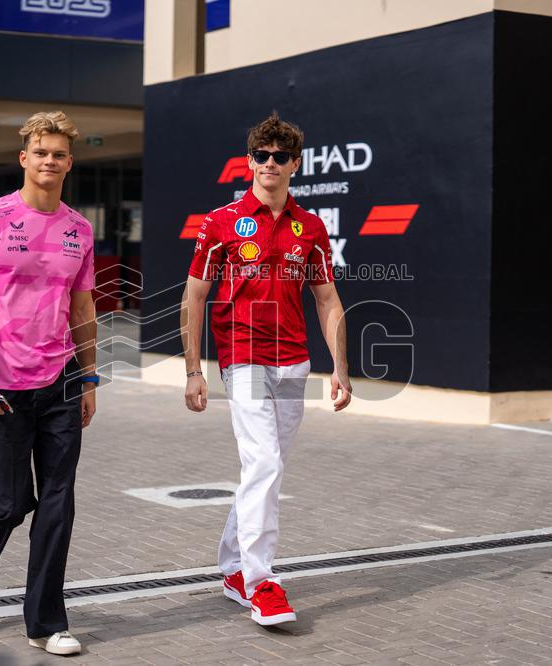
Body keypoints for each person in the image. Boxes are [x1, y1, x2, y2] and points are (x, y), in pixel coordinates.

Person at [180, 112, 352, 626]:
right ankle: (260, 582)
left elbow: (328, 301)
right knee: (265, 465)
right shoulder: (221, 222)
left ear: (295, 163)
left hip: (294, 361)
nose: (270, 164)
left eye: (280, 156)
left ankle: (234, 568)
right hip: (242, 357)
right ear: (249, 160)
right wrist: (194, 370)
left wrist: (340, 367)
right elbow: (193, 298)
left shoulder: (311, 227)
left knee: (265, 469)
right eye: (261, 155)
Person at [0, 111, 98, 656]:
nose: (50, 162)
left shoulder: (78, 228)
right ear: (24, 158)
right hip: (2, 383)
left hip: (60, 377)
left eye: (59, 154)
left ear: (69, 163)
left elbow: (83, 306)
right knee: (8, 502)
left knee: (58, 503)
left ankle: (45, 622)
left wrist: (89, 377)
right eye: (41, 152)